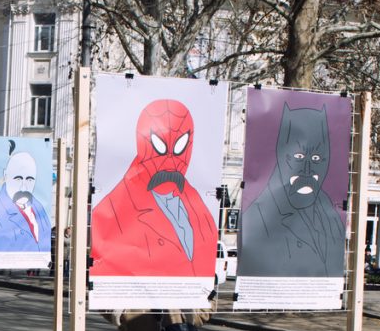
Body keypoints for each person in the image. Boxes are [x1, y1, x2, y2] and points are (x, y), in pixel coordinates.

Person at [90, 99, 217, 278]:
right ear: (142, 144)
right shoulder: (113, 210)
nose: (171, 161)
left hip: (185, 299)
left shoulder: (201, 212)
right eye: (160, 147)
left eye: (180, 147)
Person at [238, 103, 345, 277]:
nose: (308, 169)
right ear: (281, 154)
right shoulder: (259, 216)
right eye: (299, 157)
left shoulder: (331, 216)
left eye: (317, 158)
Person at [0, 148, 52, 252]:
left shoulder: (40, 209)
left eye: (30, 179)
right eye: (18, 179)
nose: (23, 187)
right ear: (6, 176)